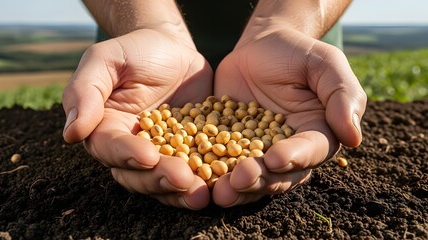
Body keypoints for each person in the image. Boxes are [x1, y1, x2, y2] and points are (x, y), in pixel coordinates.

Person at [62, 0, 367, 210]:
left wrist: (281, 24)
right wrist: (152, 24)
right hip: (144, 63)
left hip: (289, 66)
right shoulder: (183, 125)